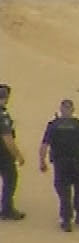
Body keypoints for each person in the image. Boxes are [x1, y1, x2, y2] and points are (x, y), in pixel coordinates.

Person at [38, 98, 79, 233]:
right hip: (78, 162)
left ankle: (66, 221)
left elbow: (44, 145)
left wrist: (42, 161)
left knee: (64, 191)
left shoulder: (53, 125)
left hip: (61, 164)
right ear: (72, 110)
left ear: (61, 110)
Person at [0, 85, 24, 221]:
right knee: (10, 179)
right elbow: (7, 138)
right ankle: (7, 209)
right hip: (3, 154)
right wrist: (18, 155)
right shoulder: (2, 115)